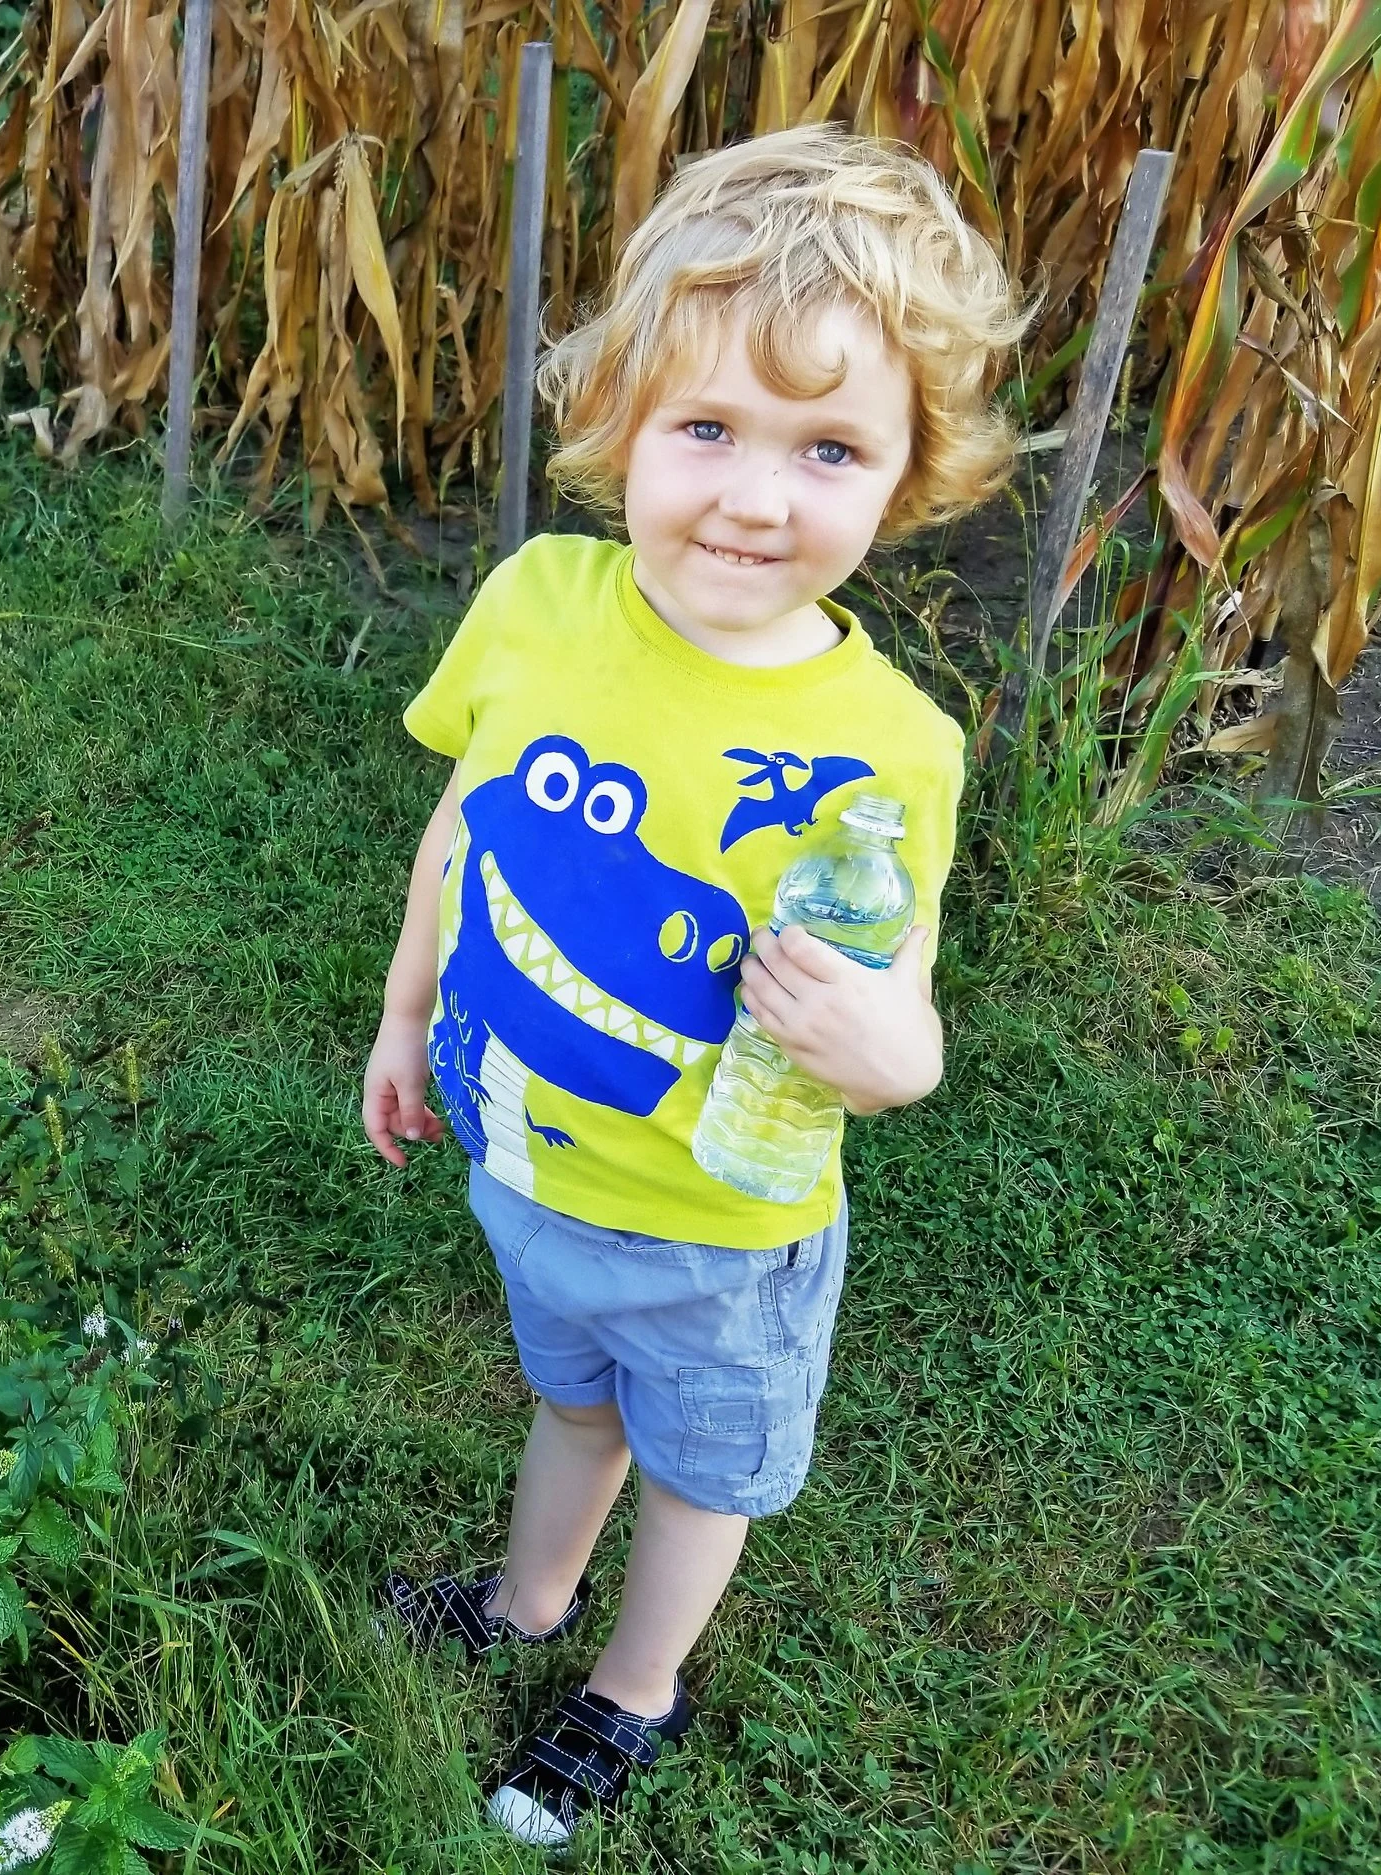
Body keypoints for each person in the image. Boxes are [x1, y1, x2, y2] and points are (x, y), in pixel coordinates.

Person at [364, 126, 1024, 1846]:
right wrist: (405, 1011)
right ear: (623, 418)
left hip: (722, 1234)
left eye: (830, 448)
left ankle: (632, 1685)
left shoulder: (890, 749)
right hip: (530, 1164)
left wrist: (890, 1053)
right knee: (569, 1404)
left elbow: (901, 1015)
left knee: (694, 1466)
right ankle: (525, 1601)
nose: (754, 496)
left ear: (910, 473)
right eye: (708, 428)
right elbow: (466, 824)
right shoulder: (538, 605)